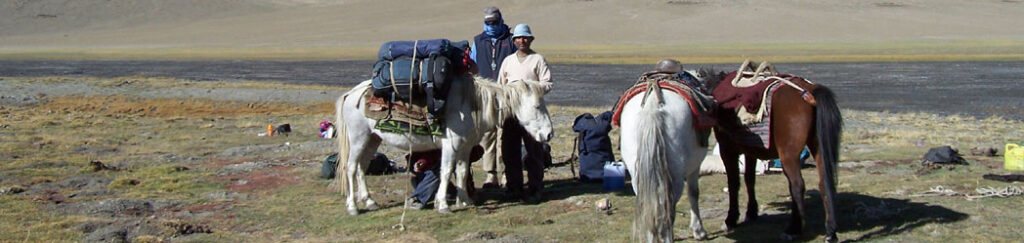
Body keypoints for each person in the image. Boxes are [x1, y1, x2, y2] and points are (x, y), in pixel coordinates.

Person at [496, 23, 552, 204]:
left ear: (531, 39)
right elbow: (500, 86)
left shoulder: (538, 59)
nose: (522, 41)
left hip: (531, 113)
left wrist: (529, 88)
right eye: (519, 38)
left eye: (525, 37)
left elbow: (547, 83)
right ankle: (514, 187)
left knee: (534, 151)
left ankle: (536, 188)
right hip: (511, 113)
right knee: (509, 151)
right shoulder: (508, 61)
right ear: (514, 41)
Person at [471, 6, 517, 189]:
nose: (491, 26)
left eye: (494, 23)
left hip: (506, 94)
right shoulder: (478, 41)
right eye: (488, 23)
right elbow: (472, 66)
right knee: (487, 135)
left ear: (501, 21)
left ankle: (506, 174)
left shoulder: (511, 40)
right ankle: (491, 175)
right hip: (485, 95)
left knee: (505, 135)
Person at [406, 146, 485, 210]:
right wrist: (422, 162)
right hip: (425, 166)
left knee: (454, 161)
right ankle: (418, 198)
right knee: (444, 166)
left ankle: (445, 193)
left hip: (429, 164)